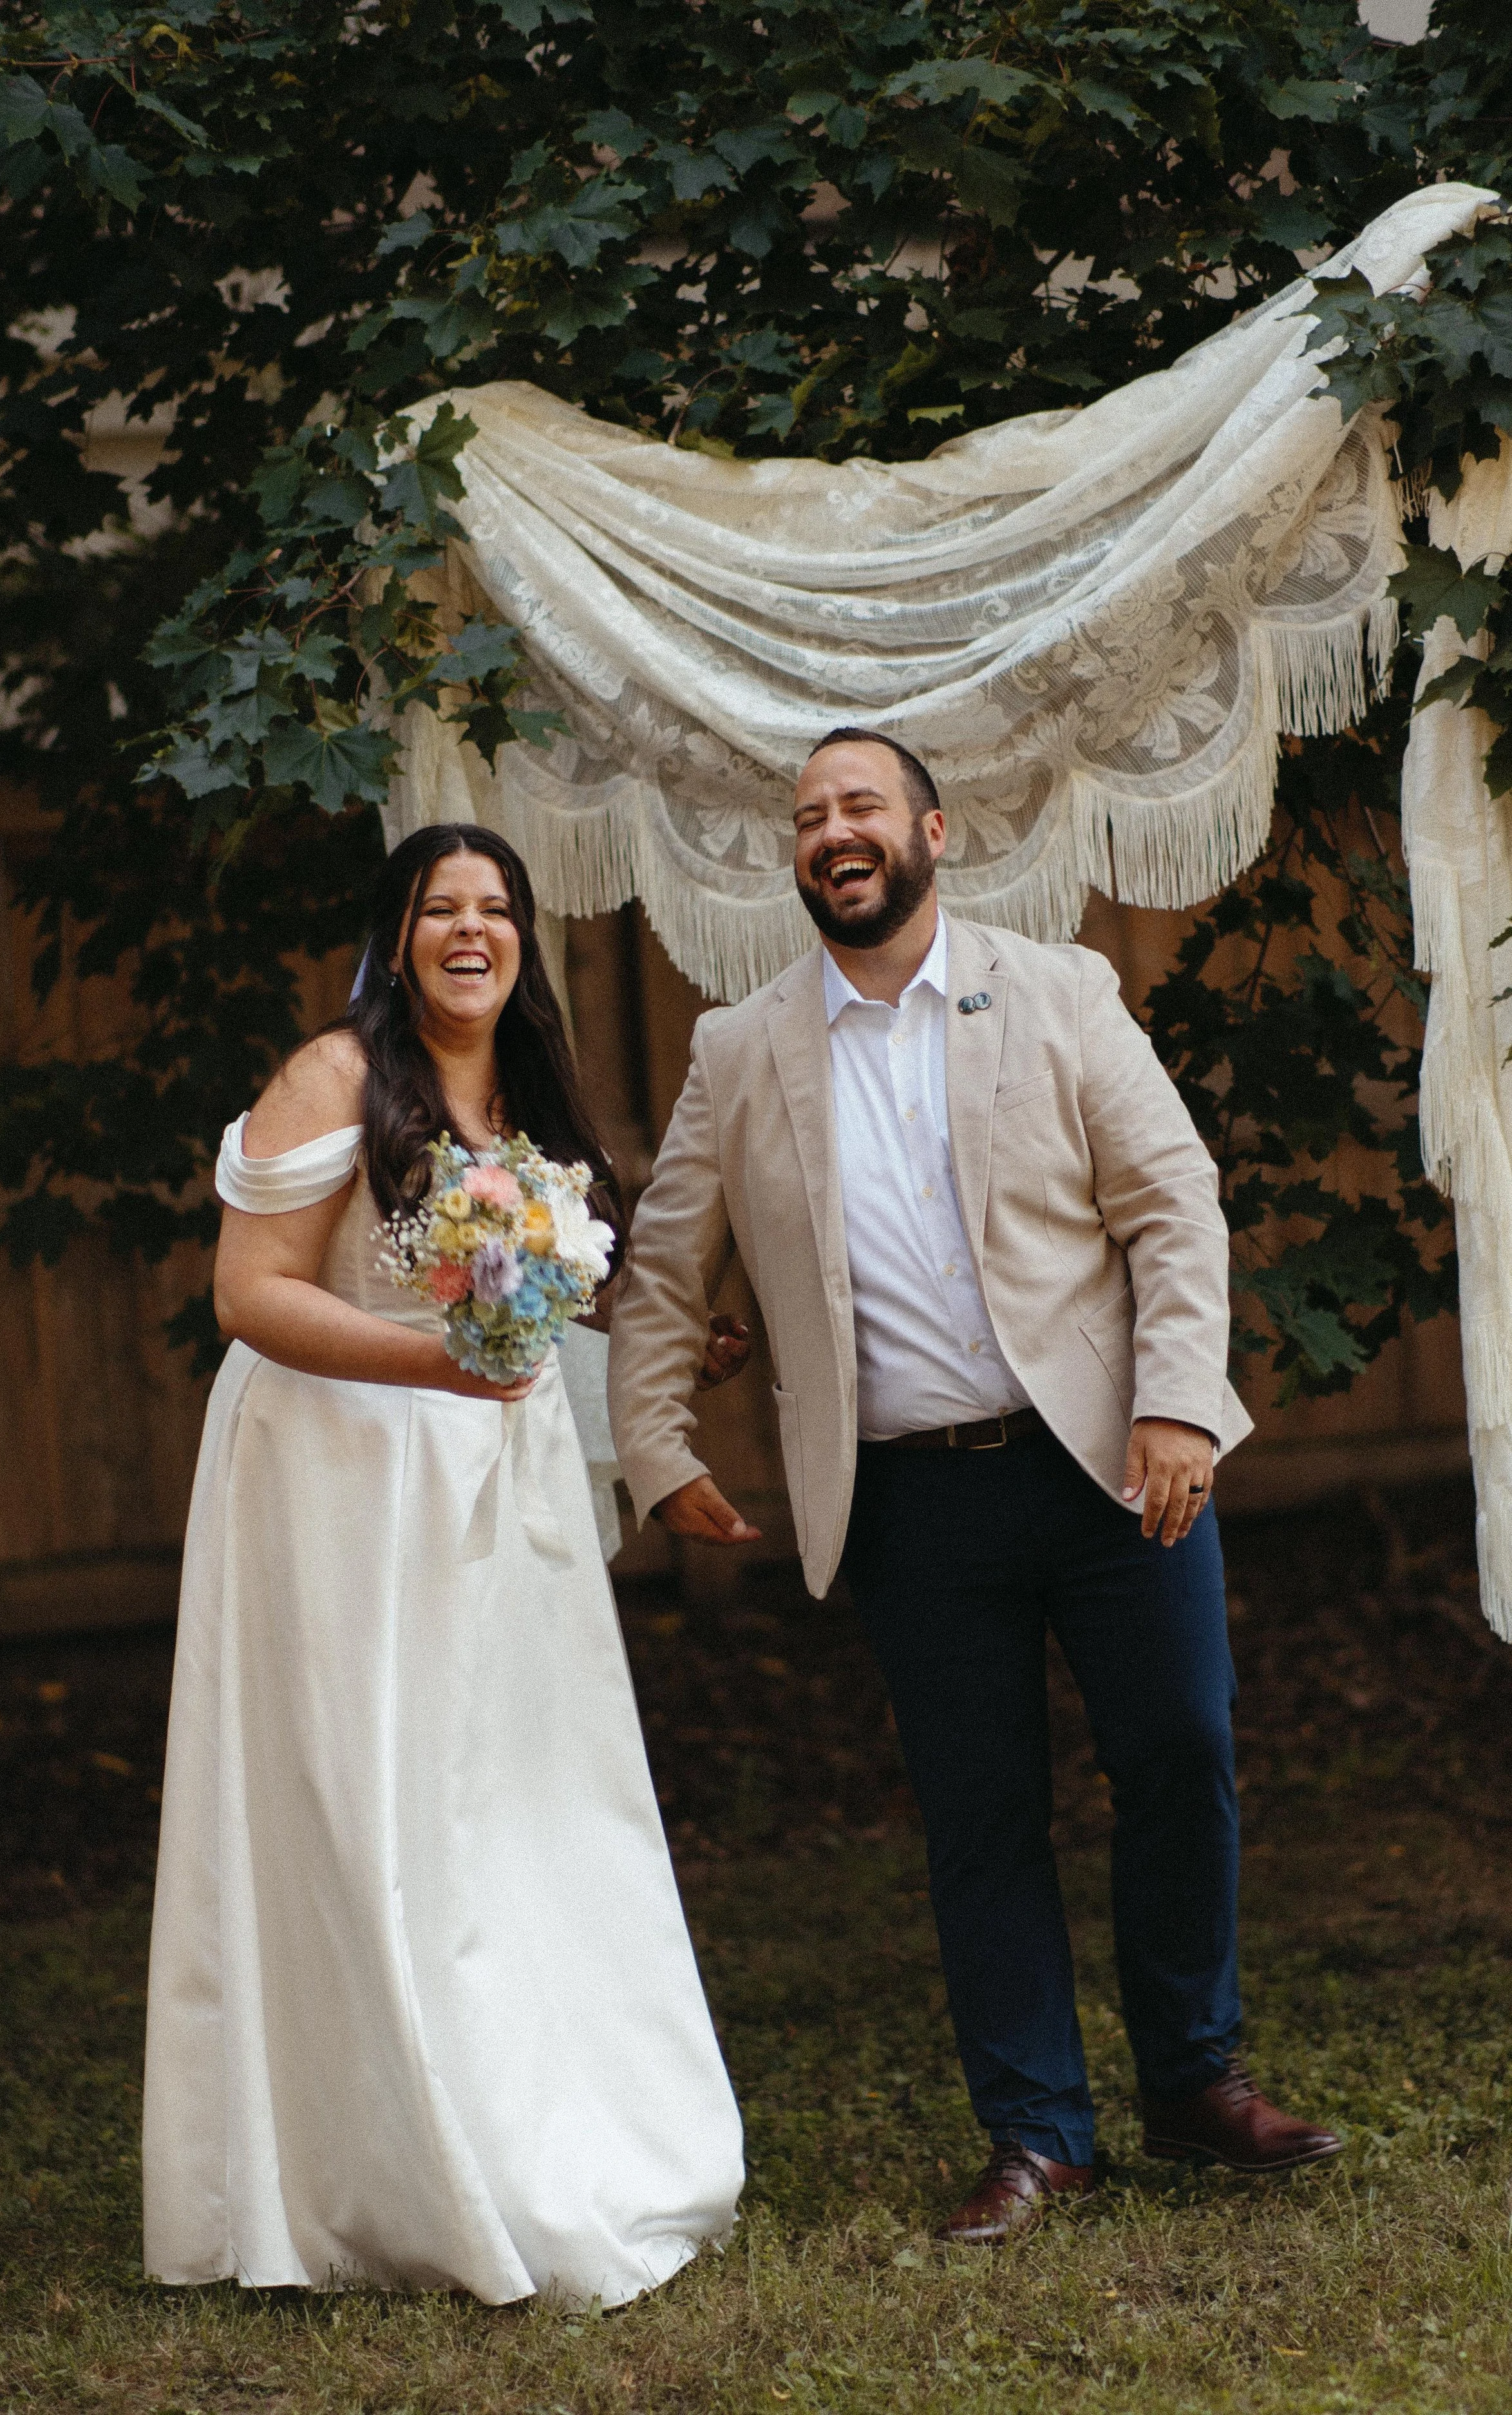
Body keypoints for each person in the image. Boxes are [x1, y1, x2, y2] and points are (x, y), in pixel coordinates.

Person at [607, 729, 1341, 2248]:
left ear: (931, 832)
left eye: (860, 805)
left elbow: (1171, 1206)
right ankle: (1035, 2135)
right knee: (979, 1817)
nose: (833, 832)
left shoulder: (1059, 991)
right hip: (906, 1505)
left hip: (1103, 1464)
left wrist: (1172, 1411)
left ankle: (1195, 2083)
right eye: (809, 818)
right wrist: (661, 1446)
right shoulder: (738, 1051)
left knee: (1180, 1756)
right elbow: (666, 1265)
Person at [143, 824, 744, 2303]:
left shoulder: (526, 1096)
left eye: (495, 909)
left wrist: (647, 1350)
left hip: (496, 1489)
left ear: (523, 939)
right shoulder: (334, 1078)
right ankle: (385, 2175)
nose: (470, 931)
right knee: (377, 1807)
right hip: (343, 1492)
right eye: (438, 910)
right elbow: (247, 1292)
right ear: (393, 936)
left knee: (521, 1801)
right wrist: (432, 1363)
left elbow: (533, 1309)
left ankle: (545, 2123)